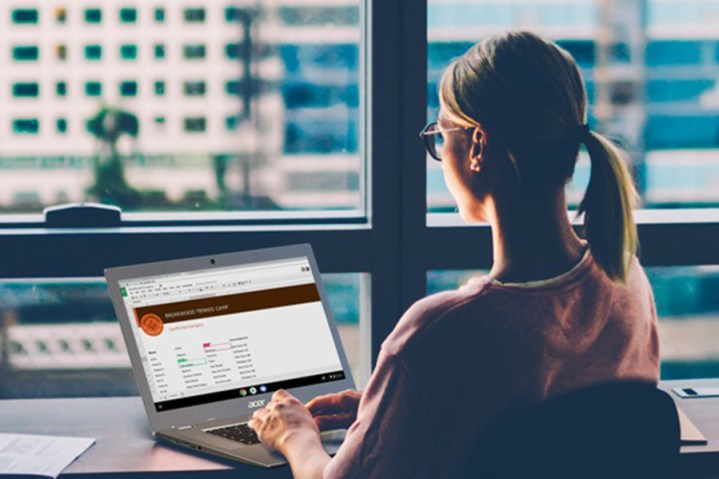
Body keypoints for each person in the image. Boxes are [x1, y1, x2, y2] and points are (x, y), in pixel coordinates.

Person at [248, 30, 659, 478]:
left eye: (441, 136)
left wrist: (295, 435)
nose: (440, 153)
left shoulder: (440, 334)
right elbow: (550, 433)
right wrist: (387, 410)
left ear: (478, 146)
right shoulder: (626, 282)